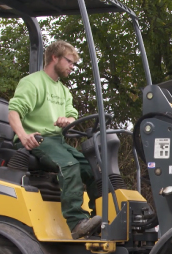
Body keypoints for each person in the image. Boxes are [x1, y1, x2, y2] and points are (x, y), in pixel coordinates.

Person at [8, 40, 102, 239]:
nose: (71, 67)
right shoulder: (32, 82)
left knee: (94, 168)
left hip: (57, 141)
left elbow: (71, 116)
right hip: (37, 139)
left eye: (73, 64)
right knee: (69, 165)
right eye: (69, 62)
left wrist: (68, 120)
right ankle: (77, 222)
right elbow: (14, 111)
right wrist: (24, 137)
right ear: (54, 57)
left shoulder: (63, 90)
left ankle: (100, 219)